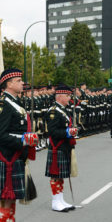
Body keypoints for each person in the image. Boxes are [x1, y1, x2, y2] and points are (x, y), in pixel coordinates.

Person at [0, 68, 38, 222]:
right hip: (7, 157)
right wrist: (24, 139)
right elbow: (0, 136)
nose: (22, 83)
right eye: (18, 80)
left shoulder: (16, 102)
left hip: (16, 156)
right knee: (5, 199)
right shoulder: (3, 104)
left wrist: (27, 139)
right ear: (8, 83)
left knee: (12, 200)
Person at [45, 84, 78, 212]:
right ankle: (55, 201)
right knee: (55, 175)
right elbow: (53, 132)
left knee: (61, 175)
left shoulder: (64, 109)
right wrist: (68, 132)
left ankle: (60, 199)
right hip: (57, 147)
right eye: (68, 95)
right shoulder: (53, 111)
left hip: (64, 146)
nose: (70, 98)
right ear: (59, 96)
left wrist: (72, 131)